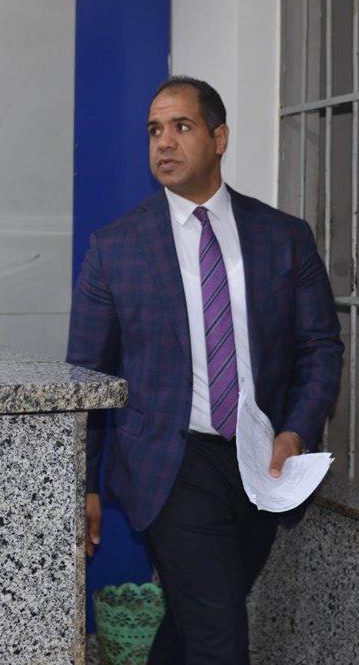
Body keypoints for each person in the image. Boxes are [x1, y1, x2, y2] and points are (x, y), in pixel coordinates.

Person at [67, 76, 344, 664]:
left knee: (198, 618)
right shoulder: (115, 248)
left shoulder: (284, 237)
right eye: (154, 130)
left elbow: (320, 347)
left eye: (181, 126)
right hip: (171, 464)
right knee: (220, 640)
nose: (164, 142)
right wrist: (83, 482)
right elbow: (86, 375)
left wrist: (295, 431)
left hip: (259, 461)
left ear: (219, 138)